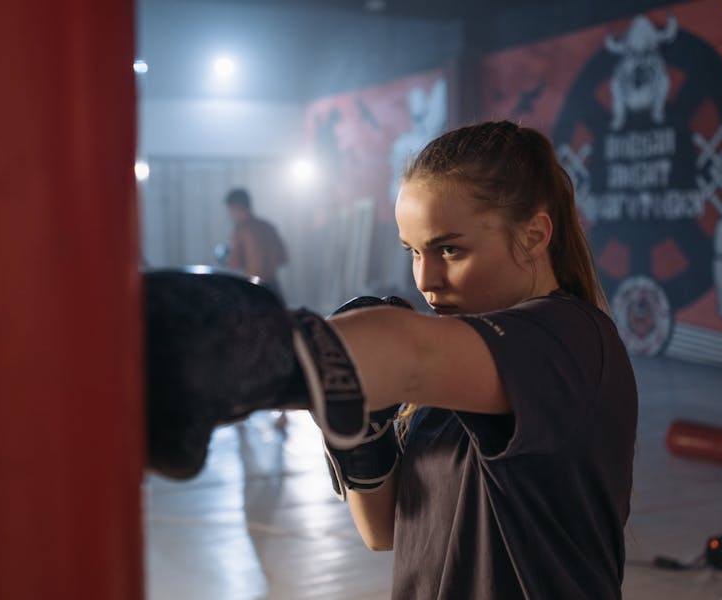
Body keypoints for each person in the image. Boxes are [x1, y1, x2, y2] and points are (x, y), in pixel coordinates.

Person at [144, 121, 637, 599]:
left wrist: (240, 350)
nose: (426, 280)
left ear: (533, 236)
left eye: (450, 249)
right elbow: (386, 530)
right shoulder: (460, 367)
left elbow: (407, 351)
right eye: (413, 252)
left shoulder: (570, 340)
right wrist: (362, 432)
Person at [225, 188, 289, 302]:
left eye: (230, 210)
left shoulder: (241, 229)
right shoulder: (268, 227)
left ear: (236, 207)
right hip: (273, 288)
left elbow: (234, 263)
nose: (230, 215)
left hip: (254, 288)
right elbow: (283, 257)